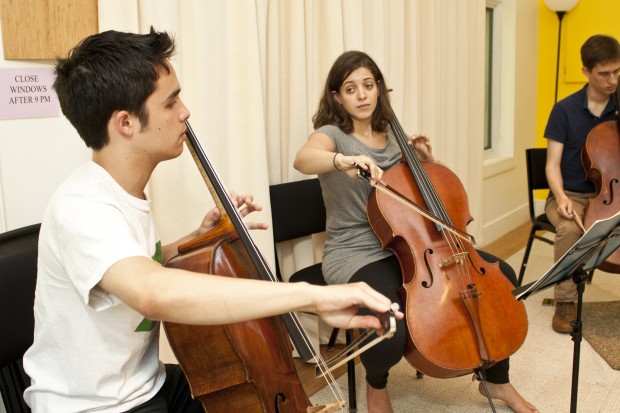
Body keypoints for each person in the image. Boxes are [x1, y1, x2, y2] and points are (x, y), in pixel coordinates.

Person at [22, 30, 403, 413]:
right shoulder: (84, 207)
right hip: (97, 406)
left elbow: (132, 263)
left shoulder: (124, 191)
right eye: (171, 102)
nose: (185, 111)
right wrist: (317, 296)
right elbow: (150, 292)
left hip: (149, 382)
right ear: (126, 123)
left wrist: (196, 240)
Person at [294, 50, 538, 413]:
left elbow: (422, 196)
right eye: (350, 88)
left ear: (379, 89)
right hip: (356, 251)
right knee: (391, 324)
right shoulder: (331, 136)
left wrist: (425, 159)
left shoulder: (393, 132)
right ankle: (376, 386)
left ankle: (498, 382)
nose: (361, 95)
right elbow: (303, 159)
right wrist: (343, 161)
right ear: (336, 97)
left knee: (502, 277)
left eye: (367, 85)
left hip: (414, 243)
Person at [544, 34, 620, 334]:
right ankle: (565, 303)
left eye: (617, 72)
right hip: (572, 194)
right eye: (604, 73)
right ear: (586, 72)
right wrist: (560, 195)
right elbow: (552, 164)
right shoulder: (565, 110)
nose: (612, 80)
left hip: (612, 194)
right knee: (570, 228)